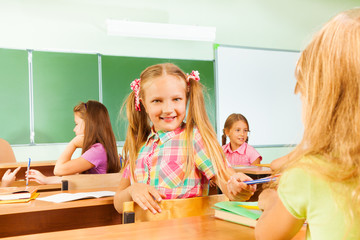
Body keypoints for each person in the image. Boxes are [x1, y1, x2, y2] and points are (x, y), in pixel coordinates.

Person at [255, 8, 360, 239]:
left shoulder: (311, 172)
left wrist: (273, 199)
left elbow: (267, 234)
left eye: (302, 92)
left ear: (322, 101)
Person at [113, 63, 256, 215]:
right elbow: (118, 203)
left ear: (186, 99)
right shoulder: (139, 145)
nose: (168, 109)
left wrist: (237, 186)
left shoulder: (195, 138)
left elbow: (227, 182)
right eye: (157, 101)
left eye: (176, 99)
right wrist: (133, 189)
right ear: (143, 103)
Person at [28, 100, 121, 184]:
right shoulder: (99, 149)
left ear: (89, 125)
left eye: (76, 124)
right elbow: (78, 178)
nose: (74, 129)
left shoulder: (97, 150)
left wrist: (73, 143)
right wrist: (46, 180)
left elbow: (58, 170)